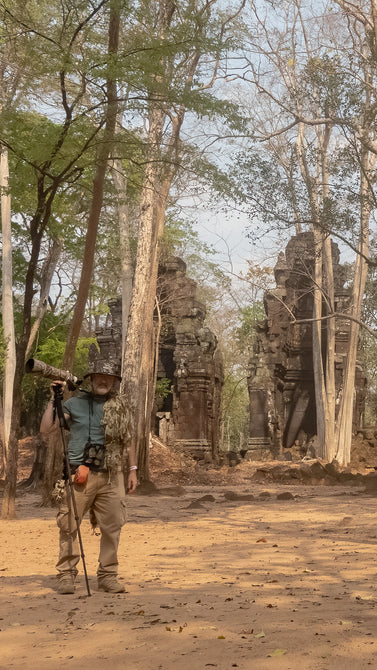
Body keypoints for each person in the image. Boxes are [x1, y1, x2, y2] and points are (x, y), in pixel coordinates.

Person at [40, 359, 137, 595]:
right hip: (79, 473)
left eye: (109, 377)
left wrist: (132, 470)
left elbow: (129, 438)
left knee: (113, 526)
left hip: (112, 474)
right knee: (69, 524)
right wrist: (55, 399)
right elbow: (47, 429)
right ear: (90, 380)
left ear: (115, 382)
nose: (104, 381)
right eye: (99, 376)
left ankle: (108, 575)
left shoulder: (121, 406)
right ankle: (66, 575)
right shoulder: (74, 404)